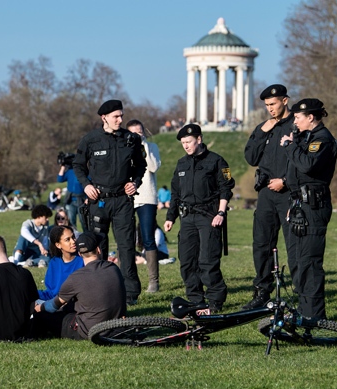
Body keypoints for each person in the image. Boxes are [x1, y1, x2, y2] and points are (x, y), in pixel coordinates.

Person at [72, 99, 146, 305]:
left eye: (121, 115)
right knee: (98, 247)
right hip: (98, 201)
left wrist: (135, 182)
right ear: (104, 118)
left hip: (123, 200)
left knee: (126, 246)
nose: (120, 120)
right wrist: (86, 185)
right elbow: (77, 165)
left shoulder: (131, 139)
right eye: (116, 116)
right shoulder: (90, 140)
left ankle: (130, 293)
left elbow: (141, 165)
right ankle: (101, 288)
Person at [164, 124, 235, 313]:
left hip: (209, 217)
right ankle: (195, 300)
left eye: (188, 142)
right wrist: (170, 217)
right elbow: (175, 193)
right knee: (187, 261)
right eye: (183, 143)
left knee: (207, 260)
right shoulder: (181, 164)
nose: (185, 146)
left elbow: (226, 188)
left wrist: (221, 213)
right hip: (187, 218)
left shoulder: (217, 161)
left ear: (199, 140)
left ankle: (215, 301)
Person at [279, 98, 337, 320]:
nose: (294, 121)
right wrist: (293, 203)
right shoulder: (305, 138)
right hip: (299, 205)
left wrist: (290, 146)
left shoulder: (322, 139)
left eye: (297, 117)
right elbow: (296, 175)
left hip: (314, 205)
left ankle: (314, 317)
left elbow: (308, 166)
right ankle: (303, 312)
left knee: (310, 262)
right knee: (297, 261)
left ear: (310, 117)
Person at [242, 84, 298, 310]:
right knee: (261, 243)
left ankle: (300, 292)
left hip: (288, 193)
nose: (270, 109)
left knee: (294, 244)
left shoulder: (299, 123)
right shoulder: (266, 126)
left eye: (273, 104)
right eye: (266, 106)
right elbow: (250, 157)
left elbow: (304, 161)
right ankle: (262, 292)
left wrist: (285, 181)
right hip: (265, 193)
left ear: (285, 100)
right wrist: (262, 131)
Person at [31, 232, 127, 340]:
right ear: (98, 250)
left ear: (80, 254)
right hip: (116, 325)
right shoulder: (113, 268)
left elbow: (54, 305)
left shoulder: (75, 278)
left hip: (89, 330)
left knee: (43, 317)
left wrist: (38, 308)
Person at [127, 119, 162, 293]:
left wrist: (144, 145)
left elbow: (154, 167)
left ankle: (153, 281)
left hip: (147, 196)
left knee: (148, 238)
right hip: (127, 197)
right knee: (125, 239)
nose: (137, 135)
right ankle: (127, 280)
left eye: (140, 132)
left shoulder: (152, 147)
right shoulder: (124, 147)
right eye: (133, 132)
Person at [39, 226, 84, 301]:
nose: (73, 241)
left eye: (73, 237)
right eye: (67, 239)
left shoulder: (83, 260)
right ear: (58, 245)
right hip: (54, 301)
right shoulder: (54, 262)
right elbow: (51, 291)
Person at [57, 158, 86, 231]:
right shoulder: (69, 172)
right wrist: (63, 166)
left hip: (82, 200)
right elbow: (60, 179)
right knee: (71, 222)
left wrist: (87, 198)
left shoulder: (83, 171)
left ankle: (86, 238)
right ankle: (73, 238)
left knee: (84, 222)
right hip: (70, 201)